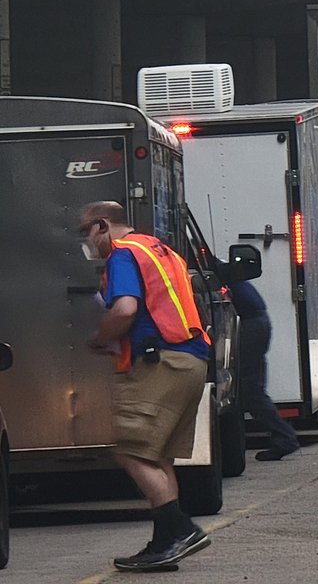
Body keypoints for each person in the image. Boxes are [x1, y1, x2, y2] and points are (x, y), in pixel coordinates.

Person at [80, 201, 212, 572]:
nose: (87, 242)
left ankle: (179, 529)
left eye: (86, 232)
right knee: (158, 456)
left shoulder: (123, 254)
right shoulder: (159, 249)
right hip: (191, 359)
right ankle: (165, 541)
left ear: (103, 225)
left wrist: (98, 337)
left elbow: (124, 309)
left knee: (131, 451)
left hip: (159, 363)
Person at [228, 278, 300, 462]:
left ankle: (285, 438)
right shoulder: (216, 265)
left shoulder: (209, 266)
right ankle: (283, 438)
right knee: (252, 388)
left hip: (250, 324)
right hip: (256, 322)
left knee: (249, 389)